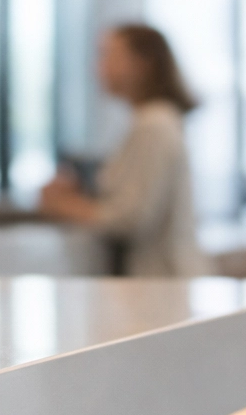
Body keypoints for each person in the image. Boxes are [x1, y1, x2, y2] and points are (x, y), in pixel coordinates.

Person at [38, 24, 208, 277]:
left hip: (161, 283)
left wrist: (63, 205)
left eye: (108, 54)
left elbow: (132, 218)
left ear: (142, 64)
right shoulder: (150, 122)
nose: (99, 66)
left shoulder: (154, 126)